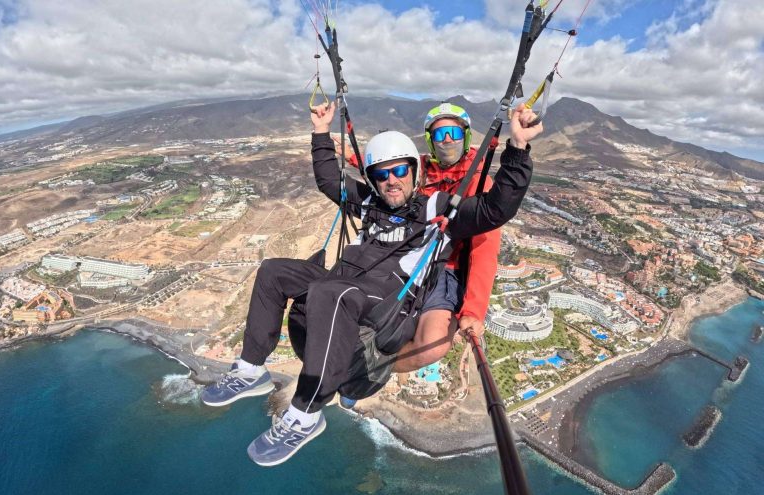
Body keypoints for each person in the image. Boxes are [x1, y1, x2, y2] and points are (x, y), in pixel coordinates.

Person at [200, 102, 541, 467]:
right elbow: (330, 180)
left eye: (399, 171)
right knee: (274, 271)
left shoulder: (439, 210)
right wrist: (320, 131)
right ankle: (251, 369)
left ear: (414, 172)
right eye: (382, 174)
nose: (391, 180)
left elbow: (495, 209)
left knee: (333, 292)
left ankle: (305, 413)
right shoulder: (369, 203)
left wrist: (518, 150)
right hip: (347, 287)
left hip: (390, 303)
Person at [392, 102, 502, 373]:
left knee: (434, 345)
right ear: (431, 141)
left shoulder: (478, 182)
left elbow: (484, 249)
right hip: (409, 255)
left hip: (447, 267)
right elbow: (389, 172)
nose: (448, 140)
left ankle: (373, 371)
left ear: (465, 137)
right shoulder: (420, 171)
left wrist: (474, 310)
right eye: (440, 135)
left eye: (454, 133)